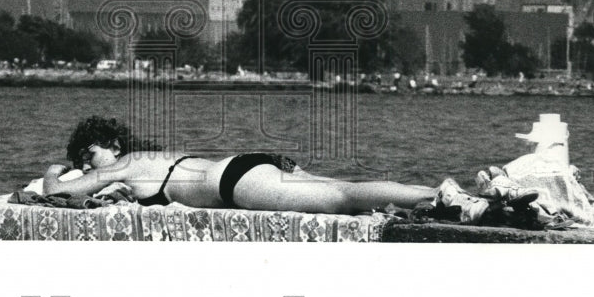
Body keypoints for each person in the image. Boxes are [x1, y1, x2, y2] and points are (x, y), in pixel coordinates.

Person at [42, 116, 447, 216]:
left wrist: (54, 171)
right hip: (247, 165)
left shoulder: (124, 164)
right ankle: (437, 193)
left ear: (112, 146)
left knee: (342, 197)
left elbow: (56, 193)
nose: (87, 167)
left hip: (235, 181)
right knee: (345, 187)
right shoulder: (145, 162)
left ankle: (438, 195)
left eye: (89, 156)